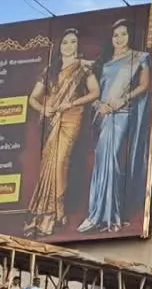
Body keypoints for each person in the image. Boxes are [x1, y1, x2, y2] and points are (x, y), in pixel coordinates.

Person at [80, 18, 152, 234]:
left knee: (113, 160)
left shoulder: (139, 58)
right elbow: (92, 90)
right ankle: (97, 214)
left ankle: (112, 216)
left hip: (122, 113)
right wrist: (97, 104)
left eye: (123, 34)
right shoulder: (104, 62)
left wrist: (123, 100)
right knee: (102, 161)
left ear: (130, 36)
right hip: (103, 114)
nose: (119, 39)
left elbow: (145, 85)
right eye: (116, 35)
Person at [26, 28, 100, 238]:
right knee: (48, 164)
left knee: (60, 162)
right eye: (65, 42)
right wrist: (44, 109)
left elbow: (95, 92)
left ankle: (54, 212)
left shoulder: (83, 69)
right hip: (52, 119)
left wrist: (72, 102)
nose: (69, 46)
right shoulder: (50, 69)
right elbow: (33, 98)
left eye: (73, 42)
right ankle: (45, 213)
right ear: (60, 46)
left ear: (78, 45)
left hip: (71, 117)